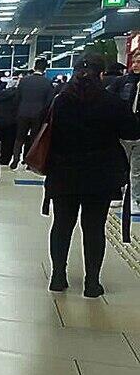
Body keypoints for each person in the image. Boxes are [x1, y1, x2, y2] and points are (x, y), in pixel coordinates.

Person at [45, 53, 140, 297]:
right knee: (94, 228)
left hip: (63, 173)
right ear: (101, 74)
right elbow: (132, 132)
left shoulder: (61, 101)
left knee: (62, 225)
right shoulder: (112, 102)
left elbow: (45, 131)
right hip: (100, 177)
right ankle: (92, 283)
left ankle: (57, 277)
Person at [11, 58, 56, 169]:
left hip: (22, 112)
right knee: (34, 138)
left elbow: (17, 98)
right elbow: (49, 102)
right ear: (45, 69)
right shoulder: (47, 83)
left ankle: (15, 159)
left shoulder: (24, 81)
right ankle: (29, 162)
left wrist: (18, 110)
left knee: (19, 138)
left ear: (34, 67)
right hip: (38, 114)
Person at [109, 56, 140, 215]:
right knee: (121, 165)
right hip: (123, 130)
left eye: (138, 62)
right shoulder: (123, 82)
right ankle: (118, 193)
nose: (135, 65)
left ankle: (134, 198)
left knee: (136, 169)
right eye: (134, 62)